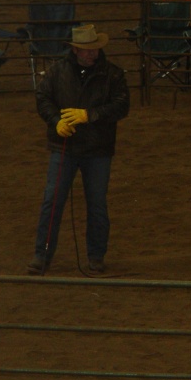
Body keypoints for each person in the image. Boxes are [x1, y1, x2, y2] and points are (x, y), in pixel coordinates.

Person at [27, 24, 130, 275]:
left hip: (95, 149)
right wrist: (56, 121)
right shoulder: (58, 73)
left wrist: (90, 115)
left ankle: (95, 256)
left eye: (94, 49)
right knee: (53, 202)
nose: (91, 54)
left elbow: (122, 106)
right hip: (70, 148)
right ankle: (43, 254)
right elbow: (43, 99)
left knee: (95, 204)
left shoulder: (112, 75)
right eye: (86, 50)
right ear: (75, 50)